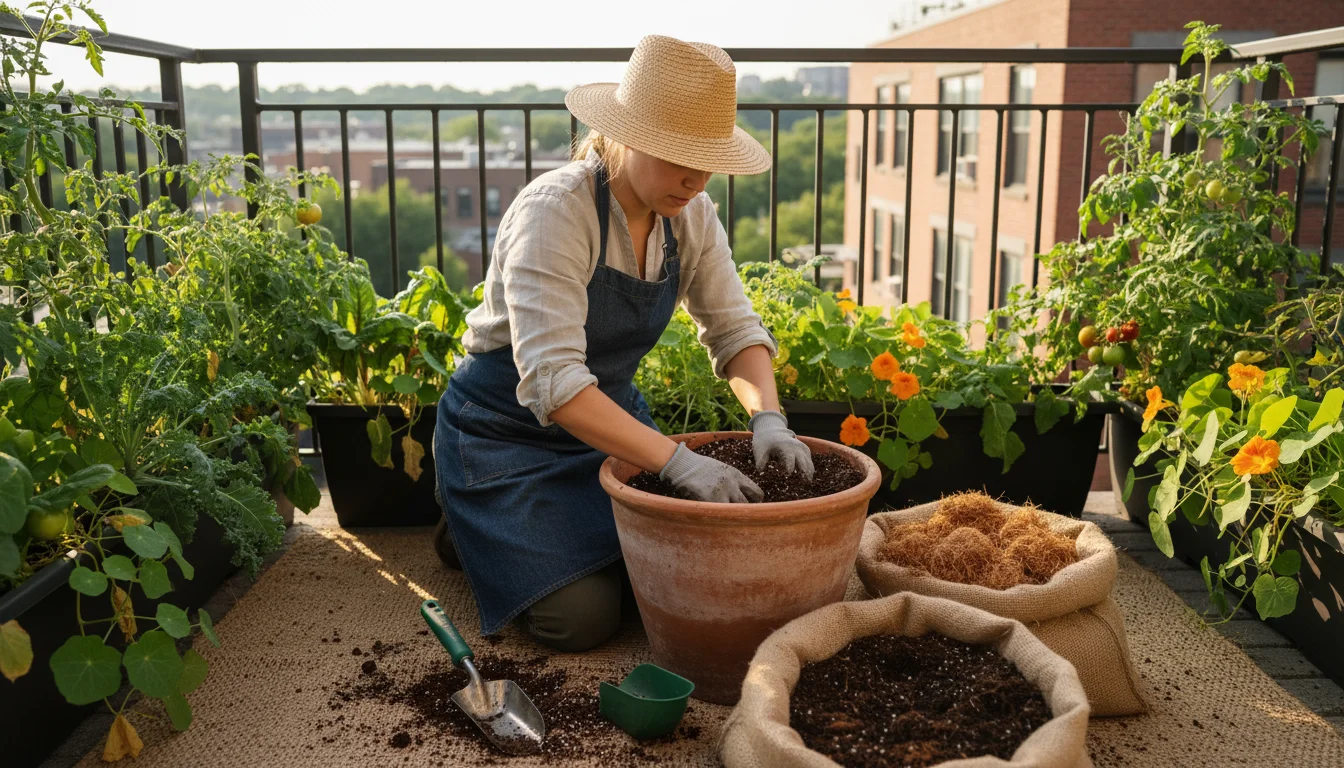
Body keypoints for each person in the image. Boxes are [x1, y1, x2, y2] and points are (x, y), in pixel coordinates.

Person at [432, 34, 814, 653]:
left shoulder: (690, 214)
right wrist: (679, 462)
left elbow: (735, 329)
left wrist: (769, 418)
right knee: (582, 619)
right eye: (674, 155)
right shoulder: (555, 211)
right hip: (506, 432)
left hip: (610, 423)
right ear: (623, 137)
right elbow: (553, 382)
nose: (694, 177)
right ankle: (467, 521)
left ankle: (507, 537)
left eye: (706, 157)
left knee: (681, 576)